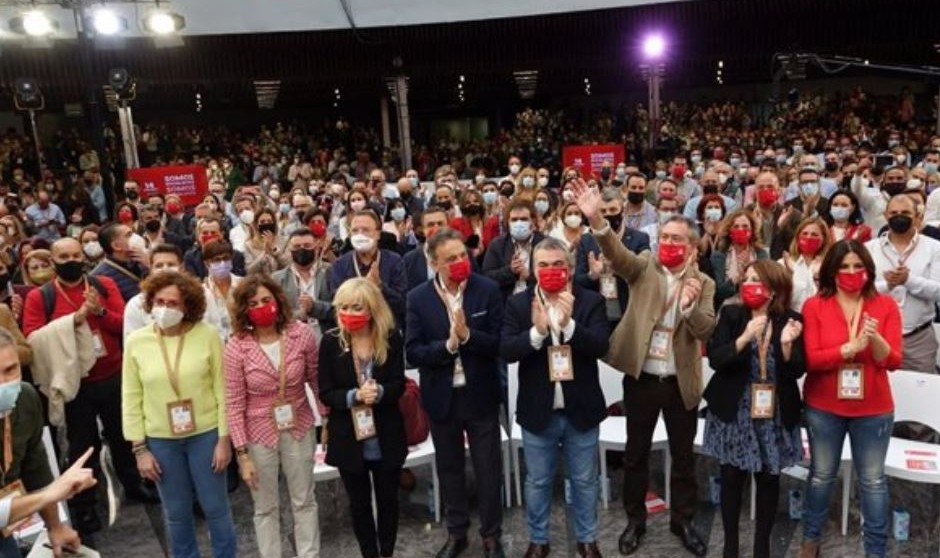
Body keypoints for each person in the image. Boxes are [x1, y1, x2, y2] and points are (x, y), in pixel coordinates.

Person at [571, 179, 716, 557]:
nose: (669, 244)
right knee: (636, 455)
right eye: (664, 237)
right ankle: (635, 521)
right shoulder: (644, 268)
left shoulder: (705, 283)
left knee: (684, 458)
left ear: (692, 247)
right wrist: (596, 220)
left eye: (677, 240)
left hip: (681, 382)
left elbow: (707, 329)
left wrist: (688, 308)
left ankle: (682, 521)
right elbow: (617, 256)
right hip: (642, 380)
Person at [22, 238, 153, 540]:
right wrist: (73, 320)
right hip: (75, 384)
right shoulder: (40, 297)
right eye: (64, 256)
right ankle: (85, 506)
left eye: (76, 255)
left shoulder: (104, 284)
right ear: (53, 261)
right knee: (83, 447)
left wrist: (99, 313)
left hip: (112, 374)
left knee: (123, 435)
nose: (71, 260)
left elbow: (124, 324)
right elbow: (33, 339)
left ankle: (134, 485)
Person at [499, 237, 611, 558]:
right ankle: (538, 539)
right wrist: (536, 333)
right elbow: (506, 351)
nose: (551, 270)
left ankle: (587, 539)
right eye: (544, 265)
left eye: (558, 264)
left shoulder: (590, 301)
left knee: (585, 481)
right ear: (533, 269)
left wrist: (570, 325)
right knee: (537, 482)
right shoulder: (519, 305)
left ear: (570, 268)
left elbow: (602, 346)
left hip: (582, 410)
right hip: (538, 413)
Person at [405, 229, 506, 558]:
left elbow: (498, 343)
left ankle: (492, 535)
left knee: (488, 468)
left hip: (480, 395)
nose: (461, 262)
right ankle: (457, 532)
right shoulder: (418, 298)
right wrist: (448, 346)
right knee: (449, 469)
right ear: (434, 262)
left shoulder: (486, 289)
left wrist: (467, 335)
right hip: (441, 398)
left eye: (463, 255)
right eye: (451, 259)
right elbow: (414, 352)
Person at [122, 271, 237, 558]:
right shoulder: (137, 341)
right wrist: (139, 449)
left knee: (216, 508)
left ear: (187, 306)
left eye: (173, 303)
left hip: (206, 435)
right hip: (161, 439)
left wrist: (225, 439)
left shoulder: (207, 335)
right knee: (176, 512)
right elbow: (131, 396)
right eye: (159, 301)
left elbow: (222, 390)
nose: (164, 308)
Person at [799, 240, 902, 558]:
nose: (852, 272)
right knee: (820, 475)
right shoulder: (815, 305)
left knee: (872, 481)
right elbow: (812, 360)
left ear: (869, 270)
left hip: (873, 409)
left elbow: (893, 361)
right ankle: (810, 541)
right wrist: (849, 348)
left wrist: (875, 340)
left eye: (858, 266)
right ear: (832, 270)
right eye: (844, 266)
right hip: (823, 406)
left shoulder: (885, 305)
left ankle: (875, 550)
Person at [704, 260, 805, 558]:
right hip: (735, 411)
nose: (749, 285)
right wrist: (745, 337)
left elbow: (798, 369)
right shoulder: (732, 315)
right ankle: (730, 546)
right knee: (732, 478)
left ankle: (762, 546)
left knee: (769, 479)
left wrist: (787, 346)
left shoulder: (792, 319)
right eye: (746, 279)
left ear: (773, 290)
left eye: (756, 280)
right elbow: (716, 358)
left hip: (773, 413)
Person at [225, 274, 322, 558]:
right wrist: (242, 455)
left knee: (304, 499)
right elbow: (233, 403)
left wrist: (326, 418)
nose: (261, 306)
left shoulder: (300, 333)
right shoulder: (236, 347)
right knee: (265, 507)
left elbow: (315, 378)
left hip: (299, 425)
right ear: (244, 309)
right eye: (253, 303)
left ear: (278, 301)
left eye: (266, 300)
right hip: (257, 434)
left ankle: (309, 554)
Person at [318, 278, 406, 558]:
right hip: (349, 439)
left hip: (386, 435)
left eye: (356, 307)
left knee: (388, 501)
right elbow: (326, 392)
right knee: (359, 505)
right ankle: (369, 553)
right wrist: (353, 396)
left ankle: (387, 552)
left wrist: (379, 392)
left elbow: (398, 385)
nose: (349, 313)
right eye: (343, 307)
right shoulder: (331, 342)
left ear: (371, 308)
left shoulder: (390, 337)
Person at [0, 327, 89, 556]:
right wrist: (51, 494)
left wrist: (55, 525)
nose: (4, 383)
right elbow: (47, 491)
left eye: (11, 369)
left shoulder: (25, 399)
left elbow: (36, 470)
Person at [865, 194, 940, 373]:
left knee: (921, 394)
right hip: (876, 336)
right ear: (886, 216)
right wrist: (887, 286)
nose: (899, 216)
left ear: (917, 216)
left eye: (905, 212)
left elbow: (938, 291)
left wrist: (909, 280)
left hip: (918, 340)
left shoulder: (934, 248)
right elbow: (860, 291)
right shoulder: (869, 249)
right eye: (894, 213)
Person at [574, 188, 650, 326]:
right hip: (597, 312)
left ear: (622, 210)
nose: (608, 214)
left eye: (613, 210)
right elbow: (577, 280)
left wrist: (618, 267)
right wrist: (592, 275)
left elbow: (644, 275)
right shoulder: (586, 240)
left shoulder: (640, 238)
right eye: (603, 211)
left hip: (629, 310)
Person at [328, 210, 408, 329]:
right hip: (352, 330)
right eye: (355, 230)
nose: (360, 235)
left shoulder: (394, 261)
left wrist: (380, 286)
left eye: (365, 230)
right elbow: (337, 303)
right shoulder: (340, 264)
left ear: (378, 234)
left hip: (387, 330)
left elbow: (402, 305)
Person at [272, 228, 335, 341]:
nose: (302, 250)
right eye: (296, 247)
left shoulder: (332, 272)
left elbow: (340, 308)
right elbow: (275, 315)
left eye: (307, 246)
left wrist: (315, 307)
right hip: (291, 342)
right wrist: (298, 315)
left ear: (316, 248)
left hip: (327, 340)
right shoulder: (277, 279)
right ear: (289, 250)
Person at [482, 198, 545, 301]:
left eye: (524, 219)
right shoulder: (497, 245)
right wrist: (510, 271)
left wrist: (529, 276)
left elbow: (552, 274)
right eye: (514, 220)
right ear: (508, 222)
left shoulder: (545, 244)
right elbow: (487, 277)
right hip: (506, 302)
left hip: (537, 300)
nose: (519, 223)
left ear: (532, 221)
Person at [712, 209, 769, 309]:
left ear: (752, 230)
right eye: (736, 226)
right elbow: (718, 293)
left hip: (755, 307)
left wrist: (750, 268)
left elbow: (767, 285)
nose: (741, 230)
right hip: (728, 308)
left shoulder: (761, 254)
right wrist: (737, 278)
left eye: (745, 226)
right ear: (729, 231)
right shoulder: (719, 256)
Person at [780, 218, 831, 313]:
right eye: (805, 234)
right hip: (792, 319)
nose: (809, 237)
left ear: (823, 239)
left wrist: (818, 278)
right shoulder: (784, 263)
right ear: (798, 237)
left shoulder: (830, 266)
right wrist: (788, 276)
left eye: (814, 234)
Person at [90, 223, 149, 302]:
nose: (135, 237)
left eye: (133, 233)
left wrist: (151, 266)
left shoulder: (144, 261)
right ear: (116, 246)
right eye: (129, 235)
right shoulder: (99, 276)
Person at [202, 240, 242, 343]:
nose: (222, 263)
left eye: (226, 258)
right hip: (213, 344)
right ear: (207, 263)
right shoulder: (202, 292)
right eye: (217, 260)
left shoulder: (242, 285)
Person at [403, 208, 449, 291]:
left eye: (440, 224)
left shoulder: (463, 253)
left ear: (448, 227)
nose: (436, 228)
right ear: (423, 230)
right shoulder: (409, 260)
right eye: (430, 225)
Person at [243, 208, 290, 275]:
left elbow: (288, 265)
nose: (266, 224)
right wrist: (264, 254)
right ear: (256, 225)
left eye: (269, 221)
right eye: (262, 222)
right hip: (261, 282)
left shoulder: (285, 240)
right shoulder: (249, 245)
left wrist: (274, 249)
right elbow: (249, 271)